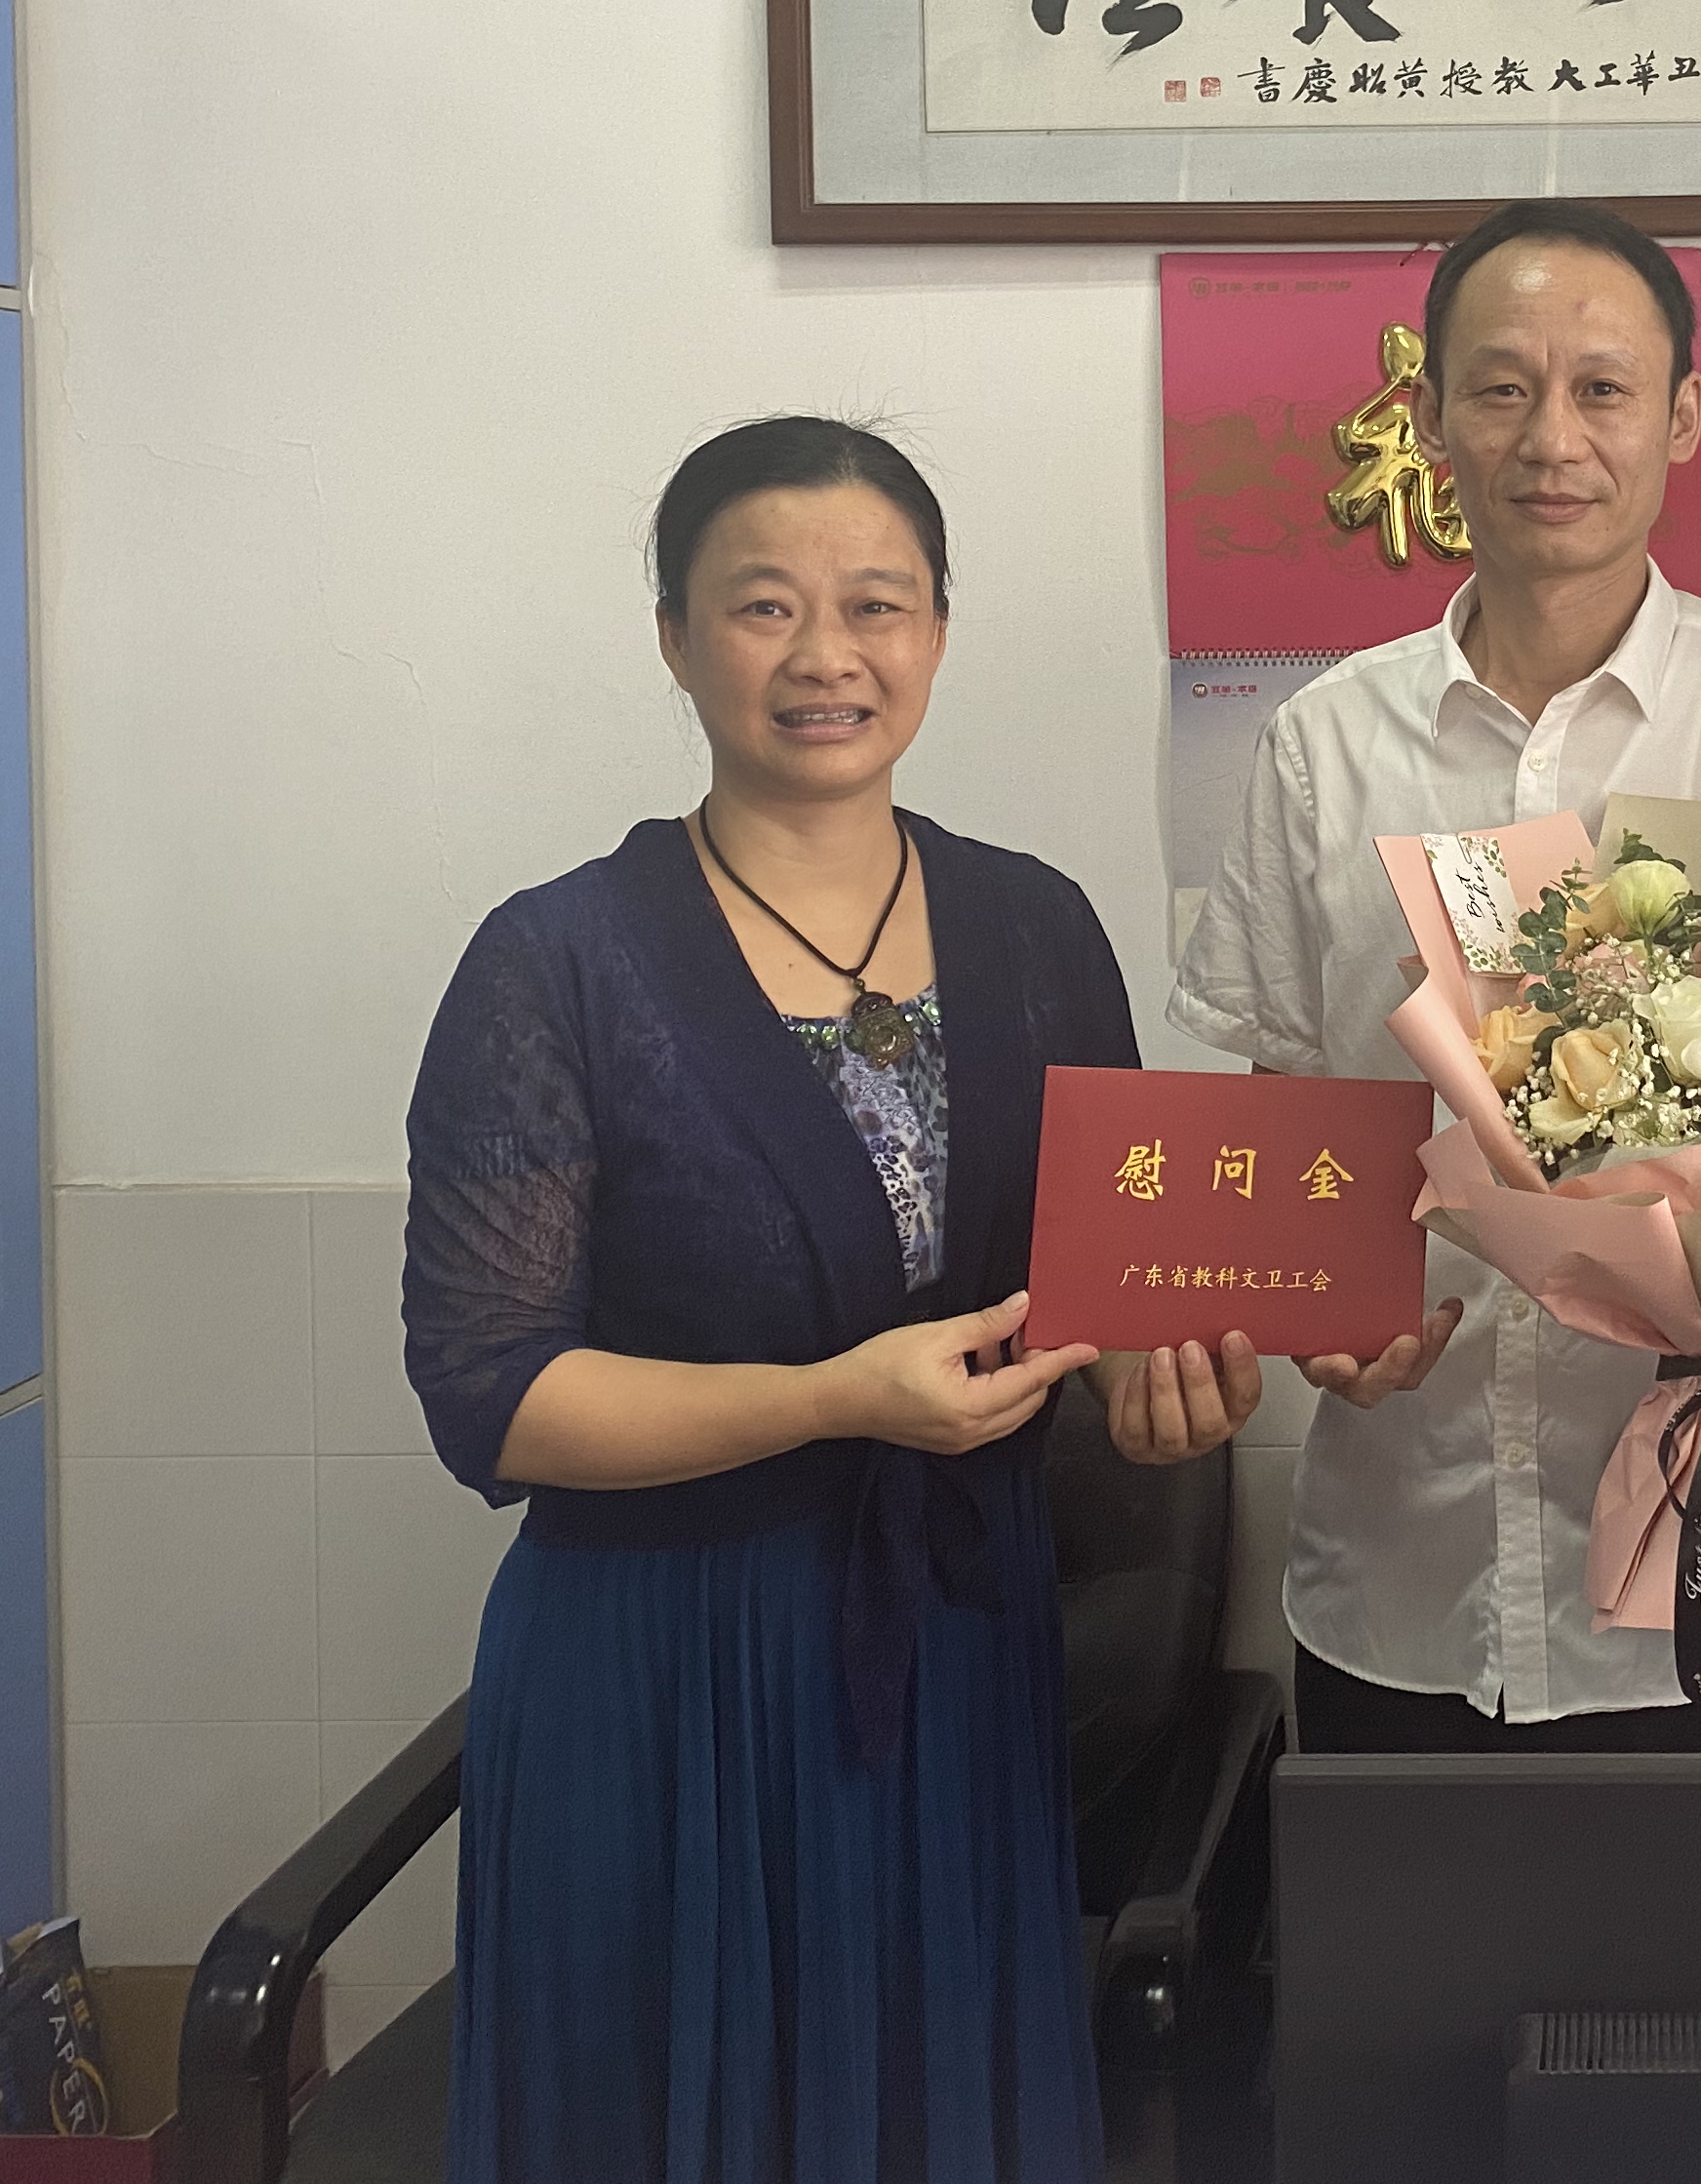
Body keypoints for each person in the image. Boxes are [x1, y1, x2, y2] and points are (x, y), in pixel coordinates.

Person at [403, 417, 1121, 2181]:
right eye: (764, 606)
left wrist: (1173, 1381)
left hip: (955, 1653)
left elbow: (1105, 1290)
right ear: (674, 637)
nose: (827, 656)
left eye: (876, 603)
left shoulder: (1039, 929)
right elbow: (493, 1392)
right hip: (663, 1672)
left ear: (937, 631)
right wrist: (833, 1400)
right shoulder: (557, 961)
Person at [1161, 199, 1701, 1750]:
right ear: (1429, 421)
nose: (1551, 437)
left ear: (1680, 418)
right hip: (1408, 1570)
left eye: (1602, 388)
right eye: (1499, 388)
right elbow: (1290, 1110)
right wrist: (1315, 1310)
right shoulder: (1324, 744)